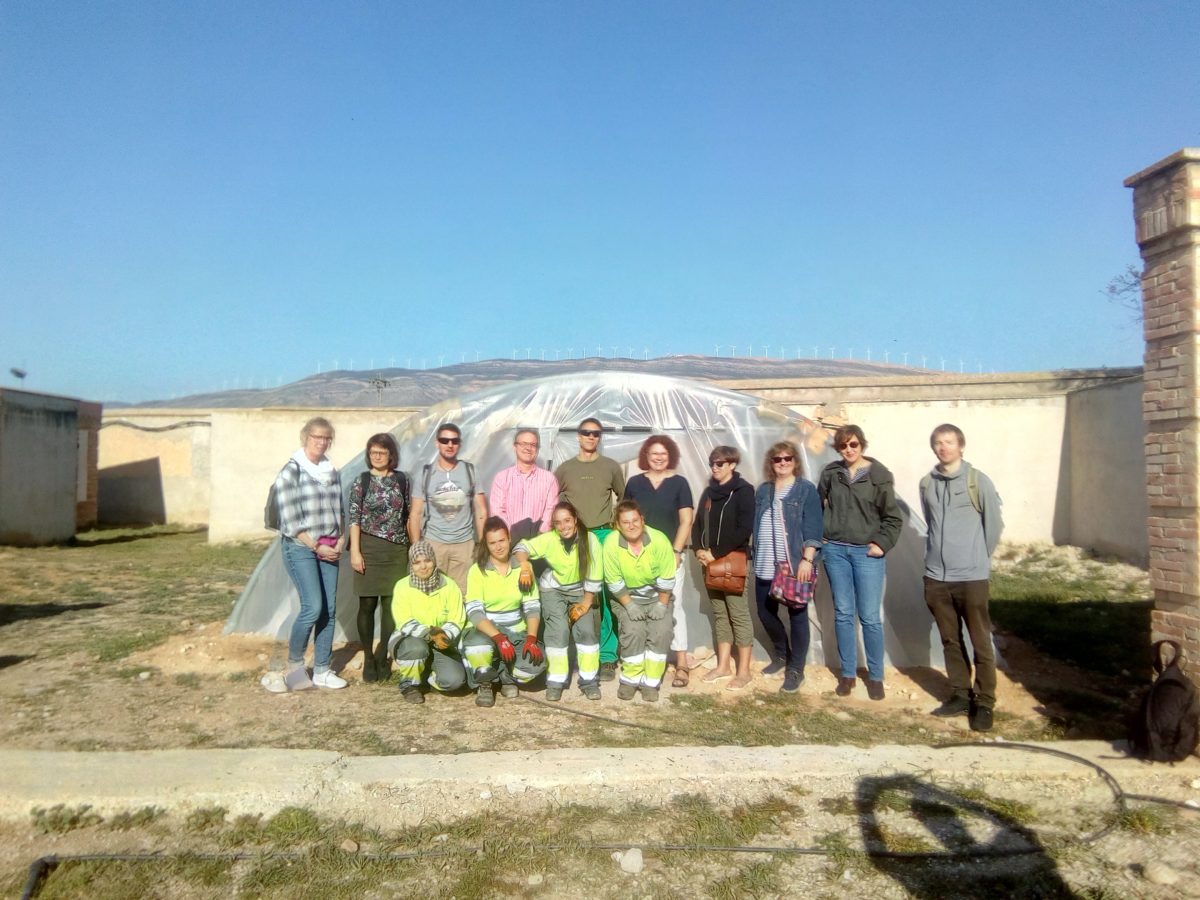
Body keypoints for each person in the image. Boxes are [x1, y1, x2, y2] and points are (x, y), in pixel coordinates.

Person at [920, 424, 1004, 732]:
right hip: (936, 577)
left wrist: (976, 559)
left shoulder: (977, 481)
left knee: (980, 640)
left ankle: (984, 701)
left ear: (961, 446)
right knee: (950, 639)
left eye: (949, 442)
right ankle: (959, 694)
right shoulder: (927, 483)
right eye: (939, 443)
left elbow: (993, 527)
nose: (944, 448)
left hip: (971, 576)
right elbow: (931, 523)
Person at [818, 424, 904, 701]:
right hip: (836, 552)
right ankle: (847, 674)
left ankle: (876, 676)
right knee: (843, 613)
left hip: (866, 553)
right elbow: (818, 505)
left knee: (869, 617)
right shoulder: (832, 473)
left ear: (862, 445)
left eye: (853, 444)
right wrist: (823, 536)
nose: (849, 450)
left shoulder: (879, 476)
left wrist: (881, 544)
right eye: (843, 446)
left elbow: (892, 517)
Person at [274, 416, 347, 690]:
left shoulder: (331, 471)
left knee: (328, 609)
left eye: (327, 437)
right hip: (302, 546)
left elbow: (340, 510)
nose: (322, 442)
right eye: (317, 436)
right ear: (305, 437)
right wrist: (317, 546)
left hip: (330, 545)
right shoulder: (291, 472)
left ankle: (322, 669)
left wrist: (340, 541)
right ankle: (294, 667)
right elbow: (290, 521)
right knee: (312, 606)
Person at [555, 417, 625, 681]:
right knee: (575, 593)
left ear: (600, 437)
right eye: (586, 433)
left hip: (604, 534)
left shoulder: (610, 467)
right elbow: (552, 501)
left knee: (605, 596)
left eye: (596, 433)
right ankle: (578, 652)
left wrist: (616, 531)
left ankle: (607, 657)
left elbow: (624, 498)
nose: (591, 437)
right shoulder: (564, 469)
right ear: (578, 436)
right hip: (575, 537)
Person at [752, 440, 823, 694]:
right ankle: (782, 655)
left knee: (797, 616)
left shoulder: (805, 490)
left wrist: (808, 558)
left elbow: (814, 525)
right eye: (777, 459)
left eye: (787, 459)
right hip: (765, 562)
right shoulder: (764, 490)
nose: (782, 463)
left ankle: (796, 669)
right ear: (771, 463)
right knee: (764, 612)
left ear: (795, 462)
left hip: (793, 564)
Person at [623, 435, 694, 688]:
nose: (658, 457)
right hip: (638, 555)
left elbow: (686, 520)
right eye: (654, 453)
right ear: (646, 456)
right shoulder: (634, 483)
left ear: (670, 455)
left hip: (669, 557)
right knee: (642, 606)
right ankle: (644, 660)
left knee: (674, 607)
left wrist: (676, 552)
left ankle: (682, 662)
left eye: (663, 453)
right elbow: (625, 518)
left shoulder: (679, 484)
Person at [514, 501, 604, 701]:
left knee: (587, 631)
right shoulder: (549, 539)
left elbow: (596, 572)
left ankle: (588, 681)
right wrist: (525, 564)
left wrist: (585, 604)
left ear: (575, 519)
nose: (563, 527)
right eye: (558, 523)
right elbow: (521, 546)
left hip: (582, 591)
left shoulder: (591, 540)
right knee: (559, 631)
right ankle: (555, 681)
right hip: (553, 590)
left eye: (567, 521)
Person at [460, 517, 546, 707]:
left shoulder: (524, 568)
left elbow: (532, 606)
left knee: (537, 663)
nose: (498, 547)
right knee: (478, 647)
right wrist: (498, 638)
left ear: (509, 539)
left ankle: (506, 677)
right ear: (486, 545)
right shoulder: (477, 570)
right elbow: (475, 612)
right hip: (487, 630)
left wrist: (531, 638)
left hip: (516, 629)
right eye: (492, 543)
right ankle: (485, 684)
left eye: (501, 540)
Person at [347, 433, 411, 683]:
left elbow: (407, 515)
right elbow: (354, 517)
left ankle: (384, 652)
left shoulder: (402, 480)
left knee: (390, 605)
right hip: (369, 547)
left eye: (382, 453)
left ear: (391, 455)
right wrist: (355, 551)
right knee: (367, 604)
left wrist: (411, 549)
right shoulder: (361, 481)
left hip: (396, 549)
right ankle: (369, 658)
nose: (377, 456)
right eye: (373, 452)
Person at [692, 445, 756, 690]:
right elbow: (698, 524)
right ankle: (722, 666)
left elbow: (744, 529)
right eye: (712, 463)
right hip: (709, 562)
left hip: (733, 562)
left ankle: (744, 671)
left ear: (732, 465)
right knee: (720, 614)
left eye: (720, 463)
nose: (715, 468)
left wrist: (714, 553)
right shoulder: (709, 492)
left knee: (738, 615)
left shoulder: (743, 491)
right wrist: (699, 548)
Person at [603, 500, 677, 702]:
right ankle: (629, 679)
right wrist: (630, 605)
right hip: (626, 598)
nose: (631, 525)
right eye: (625, 522)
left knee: (661, 632)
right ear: (618, 525)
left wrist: (662, 604)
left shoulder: (659, 540)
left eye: (635, 520)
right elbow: (614, 581)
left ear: (642, 520)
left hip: (658, 596)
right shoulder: (611, 544)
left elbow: (667, 578)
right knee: (634, 631)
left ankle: (651, 682)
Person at [409, 422, 487, 593]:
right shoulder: (425, 473)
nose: (450, 445)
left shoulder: (470, 471)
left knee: (464, 594)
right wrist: (417, 547)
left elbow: (481, 511)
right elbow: (415, 513)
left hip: (464, 545)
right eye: (445, 440)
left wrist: (482, 544)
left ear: (459, 444)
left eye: (454, 441)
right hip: (434, 544)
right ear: (437, 443)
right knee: (432, 592)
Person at [387, 541, 468, 704]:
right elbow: (404, 621)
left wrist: (444, 635)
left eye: (427, 560)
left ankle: (425, 677)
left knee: (454, 682)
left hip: (441, 641)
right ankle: (409, 684)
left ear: (434, 561)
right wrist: (430, 634)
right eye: (417, 562)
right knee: (417, 648)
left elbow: (457, 618)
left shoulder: (449, 586)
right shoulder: (402, 586)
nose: (423, 567)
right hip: (410, 639)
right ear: (411, 564)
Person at [489, 428, 559, 543]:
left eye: (533, 444)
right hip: (508, 541)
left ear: (537, 449)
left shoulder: (549, 479)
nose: (528, 448)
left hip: (539, 541)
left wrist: (540, 534)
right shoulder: (502, 478)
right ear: (514, 447)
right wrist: (509, 534)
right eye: (523, 444)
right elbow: (497, 510)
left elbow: (551, 509)